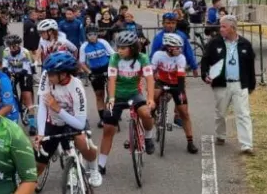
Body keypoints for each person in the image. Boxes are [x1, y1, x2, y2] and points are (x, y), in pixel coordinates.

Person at [34, 51, 103, 187]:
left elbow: (80, 124)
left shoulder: (76, 87)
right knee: (39, 163)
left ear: (64, 74)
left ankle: (93, 169)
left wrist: (58, 109)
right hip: (53, 122)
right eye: (48, 73)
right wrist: (41, 133)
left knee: (82, 141)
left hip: (73, 121)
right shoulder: (46, 76)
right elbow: (42, 106)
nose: (48, 76)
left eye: (52, 74)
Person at [100, 31, 156, 173]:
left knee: (146, 113)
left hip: (134, 94)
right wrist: (111, 98)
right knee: (108, 129)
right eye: (118, 47)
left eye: (123, 48)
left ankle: (148, 137)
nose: (119, 50)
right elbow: (112, 80)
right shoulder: (114, 58)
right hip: (117, 95)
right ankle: (101, 164)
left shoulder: (142, 58)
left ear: (132, 47)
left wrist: (150, 98)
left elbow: (149, 79)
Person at [200, 15, 256, 154]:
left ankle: (246, 145)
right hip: (221, 84)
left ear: (233, 28)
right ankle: (221, 135)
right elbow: (205, 60)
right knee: (220, 113)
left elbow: (250, 66)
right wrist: (205, 75)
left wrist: (251, 85)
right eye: (220, 26)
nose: (221, 29)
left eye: (224, 26)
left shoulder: (245, 44)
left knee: (243, 114)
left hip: (239, 84)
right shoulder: (214, 43)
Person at [150, 34, 197, 153]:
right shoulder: (158, 55)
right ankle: (153, 114)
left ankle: (190, 142)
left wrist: (179, 90)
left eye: (180, 47)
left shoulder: (181, 58)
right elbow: (151, 72)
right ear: (168, 47)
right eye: (177, 47)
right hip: (161, 81)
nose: (180, 50)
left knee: (184, 113)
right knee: (153, 97)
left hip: (176, 84)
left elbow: (181, 78)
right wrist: (151, 82)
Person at [78, 26, 114, 128]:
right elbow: (82, 63)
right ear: (86, 36)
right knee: (99, 95)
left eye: (94, 34)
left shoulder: (103, 42)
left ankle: (113, 111)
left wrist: (112, 68)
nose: (92, 37)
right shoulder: (84, 47)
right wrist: (89, 73)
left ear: (97, 34)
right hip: (95, 71)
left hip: (107, 67)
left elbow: (113, 55)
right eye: (90, 35)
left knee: (111, 92)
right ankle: (102, 118)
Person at [1, 34, 35, 118]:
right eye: (10, 46)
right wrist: (5, 70)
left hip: (25, 72)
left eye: (14, 46)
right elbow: (5, 64)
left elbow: (27, 66)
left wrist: (23, 72)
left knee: (26, 94)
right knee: (8, 89)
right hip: (13, 72)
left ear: (18, 45)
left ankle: (32, 118)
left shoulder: (25, 52)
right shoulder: (6, 51)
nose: (12, 48)